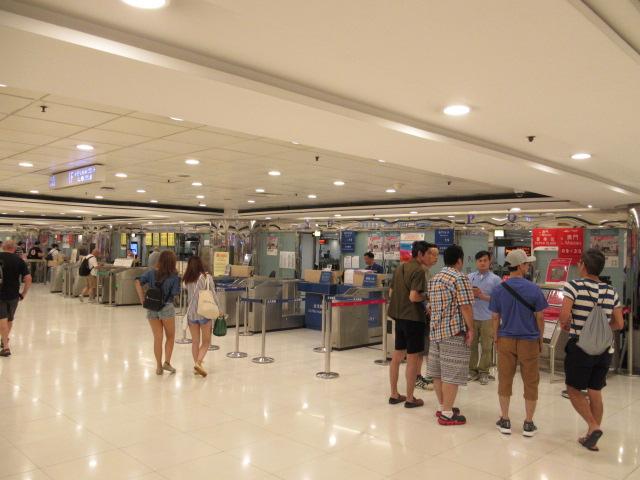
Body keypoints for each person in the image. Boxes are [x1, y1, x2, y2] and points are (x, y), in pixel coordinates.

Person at [559, 248, 623, 452]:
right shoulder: (611, 291)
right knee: (595, 390)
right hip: (604, 348)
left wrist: (567, 325)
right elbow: (619, 323)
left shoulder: (573, 286)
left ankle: (593, 426)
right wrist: (601, 329)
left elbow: (564, 316)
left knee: (573, 389)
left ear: (583, 266)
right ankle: (590, 438)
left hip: (581, 347)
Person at [489, 249, 548, 437]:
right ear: (520, 266)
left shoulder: (499, 289)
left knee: (505, 378)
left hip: (506, 338)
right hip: (529, 339)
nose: (528, 266)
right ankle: (528, 423)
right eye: (527, 263)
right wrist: (540, 338)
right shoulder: (534, 289)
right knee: (531, 381)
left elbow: (495, 317)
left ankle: (505, 419)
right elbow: (540, 317)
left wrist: (496, 337)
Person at [427, 244, 474, 425]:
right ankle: (447, 413)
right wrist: (471, 329)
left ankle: (442, 407)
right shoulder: (459, 278)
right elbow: (466, 307)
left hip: (435, 332)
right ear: (459, 260)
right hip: (453, 332)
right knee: (451, 373)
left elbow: (430, 307)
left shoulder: (435, 278)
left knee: (438, 372)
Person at [387, 241, 431, 408]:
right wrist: (427, 296)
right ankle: (410, 398)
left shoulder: (400, 268)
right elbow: (414, 297)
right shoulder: (419, 270)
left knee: (397, 355)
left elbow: (391, 292)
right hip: (413, 318)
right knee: (412, 358)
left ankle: (394, 394)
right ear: (420, 254)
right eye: (428, 253)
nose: (430, 257)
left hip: (399, 317)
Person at [135, 250, 181, 375]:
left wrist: (142, 299)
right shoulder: (174, 276)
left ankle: (159, 367)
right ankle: (167, 362)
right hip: (166, 308)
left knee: (157, 338)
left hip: (152, 307)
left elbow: (137, 281)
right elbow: (175, 293)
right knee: (170, 337)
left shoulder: (151, 273)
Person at [182, 256, 221, 377]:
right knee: (206, 341)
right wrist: (219, 309)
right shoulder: (206, 277)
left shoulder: (186, 279)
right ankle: (198, 363)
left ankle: (196, 366)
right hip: (204, 312)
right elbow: (213, 294)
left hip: (191, 314)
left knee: (195, 342)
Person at [468, 250, 502, 385]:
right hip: (472, 317)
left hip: (488, 317)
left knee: (487, 347)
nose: (482, 263)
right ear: (476, 262)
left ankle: (484, 372)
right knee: (471, 345)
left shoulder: (496, 279)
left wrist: (482, 296)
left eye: (485, 260)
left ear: (489, 262)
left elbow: (499, 300)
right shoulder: (470, 277)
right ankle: (472, 371)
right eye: (480, 260)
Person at [0, 240, 32, 357]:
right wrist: (23, 293)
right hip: (14, 295)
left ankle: (6, 347)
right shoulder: (19, 260)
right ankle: (5, 339)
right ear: (14, 249)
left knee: (2, 319)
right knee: (9, 319)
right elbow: (28, 279)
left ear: (3, 247)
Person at [415, 243, 440, 391]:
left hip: (425, 315)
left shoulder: (428, 272)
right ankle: (416, 377)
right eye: (432, 254)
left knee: (425, 348)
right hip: (418, 315)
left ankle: (422, 375)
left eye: (437, 255)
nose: (435, 258)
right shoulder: (419, 272)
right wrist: (427, 305)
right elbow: (417, 293)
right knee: (418, 350)